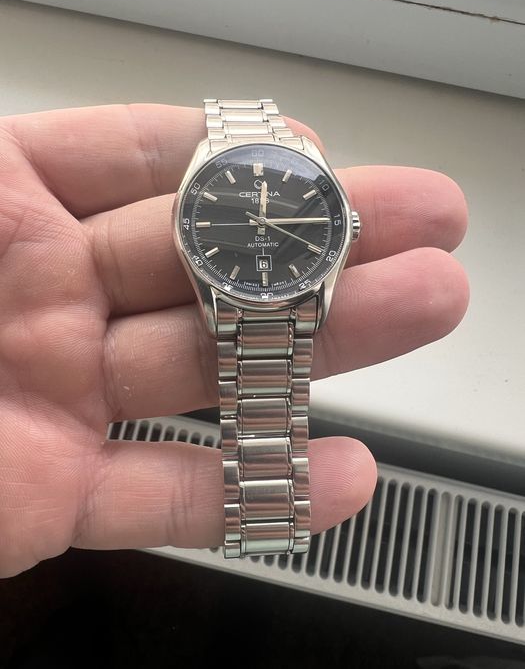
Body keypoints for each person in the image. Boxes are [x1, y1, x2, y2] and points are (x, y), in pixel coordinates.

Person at [0, 103, 469, 578]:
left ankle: (266, 523)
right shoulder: (214, 215)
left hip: (281, 293)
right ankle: (265, 525)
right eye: (255, 223)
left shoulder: (303, 212)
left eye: (268, 223)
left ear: (347, 225)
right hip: (229, 296)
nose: (261, 227)